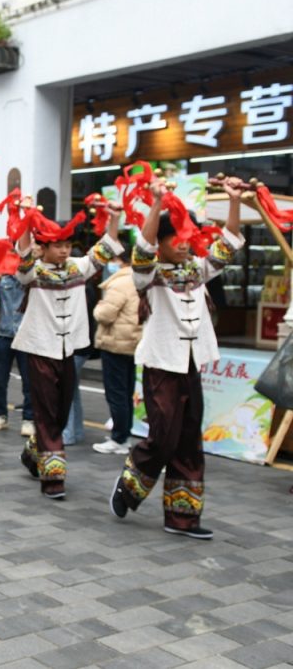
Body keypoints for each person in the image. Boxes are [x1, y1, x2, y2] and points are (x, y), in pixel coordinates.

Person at [109, 179, 244, 539]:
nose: (185, 242)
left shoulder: (198, 270)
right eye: (177, 237)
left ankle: (183, 517)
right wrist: (156, 203)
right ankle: (129, 485)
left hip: (191, 364)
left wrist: (234, 201)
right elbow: (142, 249)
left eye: (189, 236)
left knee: (188, 439)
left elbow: (228, 245)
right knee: (164, 436)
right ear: (164, 243)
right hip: (160, 365)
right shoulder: (148, 275)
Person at [14, 211, 122, 499]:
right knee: (47, 412)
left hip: (68, 349)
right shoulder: (32, 272)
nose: (64, 250)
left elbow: (107, 246)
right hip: (38, 349)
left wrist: (115, 217)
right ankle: (53, 478)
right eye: (58, 245)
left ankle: (32, 453)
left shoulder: (79, 267)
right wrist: (23, 218)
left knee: (61, 413)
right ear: (45, 246)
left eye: (67, 244)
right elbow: (22, 254)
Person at [92, 246, 141, 454]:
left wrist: (99, 306)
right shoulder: (140, 279)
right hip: (133, 341)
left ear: (120, 260)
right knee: (127, 392)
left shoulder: (120, 282)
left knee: (116, 393)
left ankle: (119, 438)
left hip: (115, 343)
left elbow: (105, 315)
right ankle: (125, 436)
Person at [0, 273, 35, 436]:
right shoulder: (3, 281)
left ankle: (28, 419)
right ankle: (0, 415)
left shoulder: (32, 280)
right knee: (0, 379)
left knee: (29, 381)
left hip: (25, 335)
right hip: (4, 334)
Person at [62, 272, 102, 446]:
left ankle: (69, 433)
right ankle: (76, 431)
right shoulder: (88, 288)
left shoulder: (81, 291)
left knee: (66, 391)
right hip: (83, 346)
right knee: (73, 390)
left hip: (76, 346)